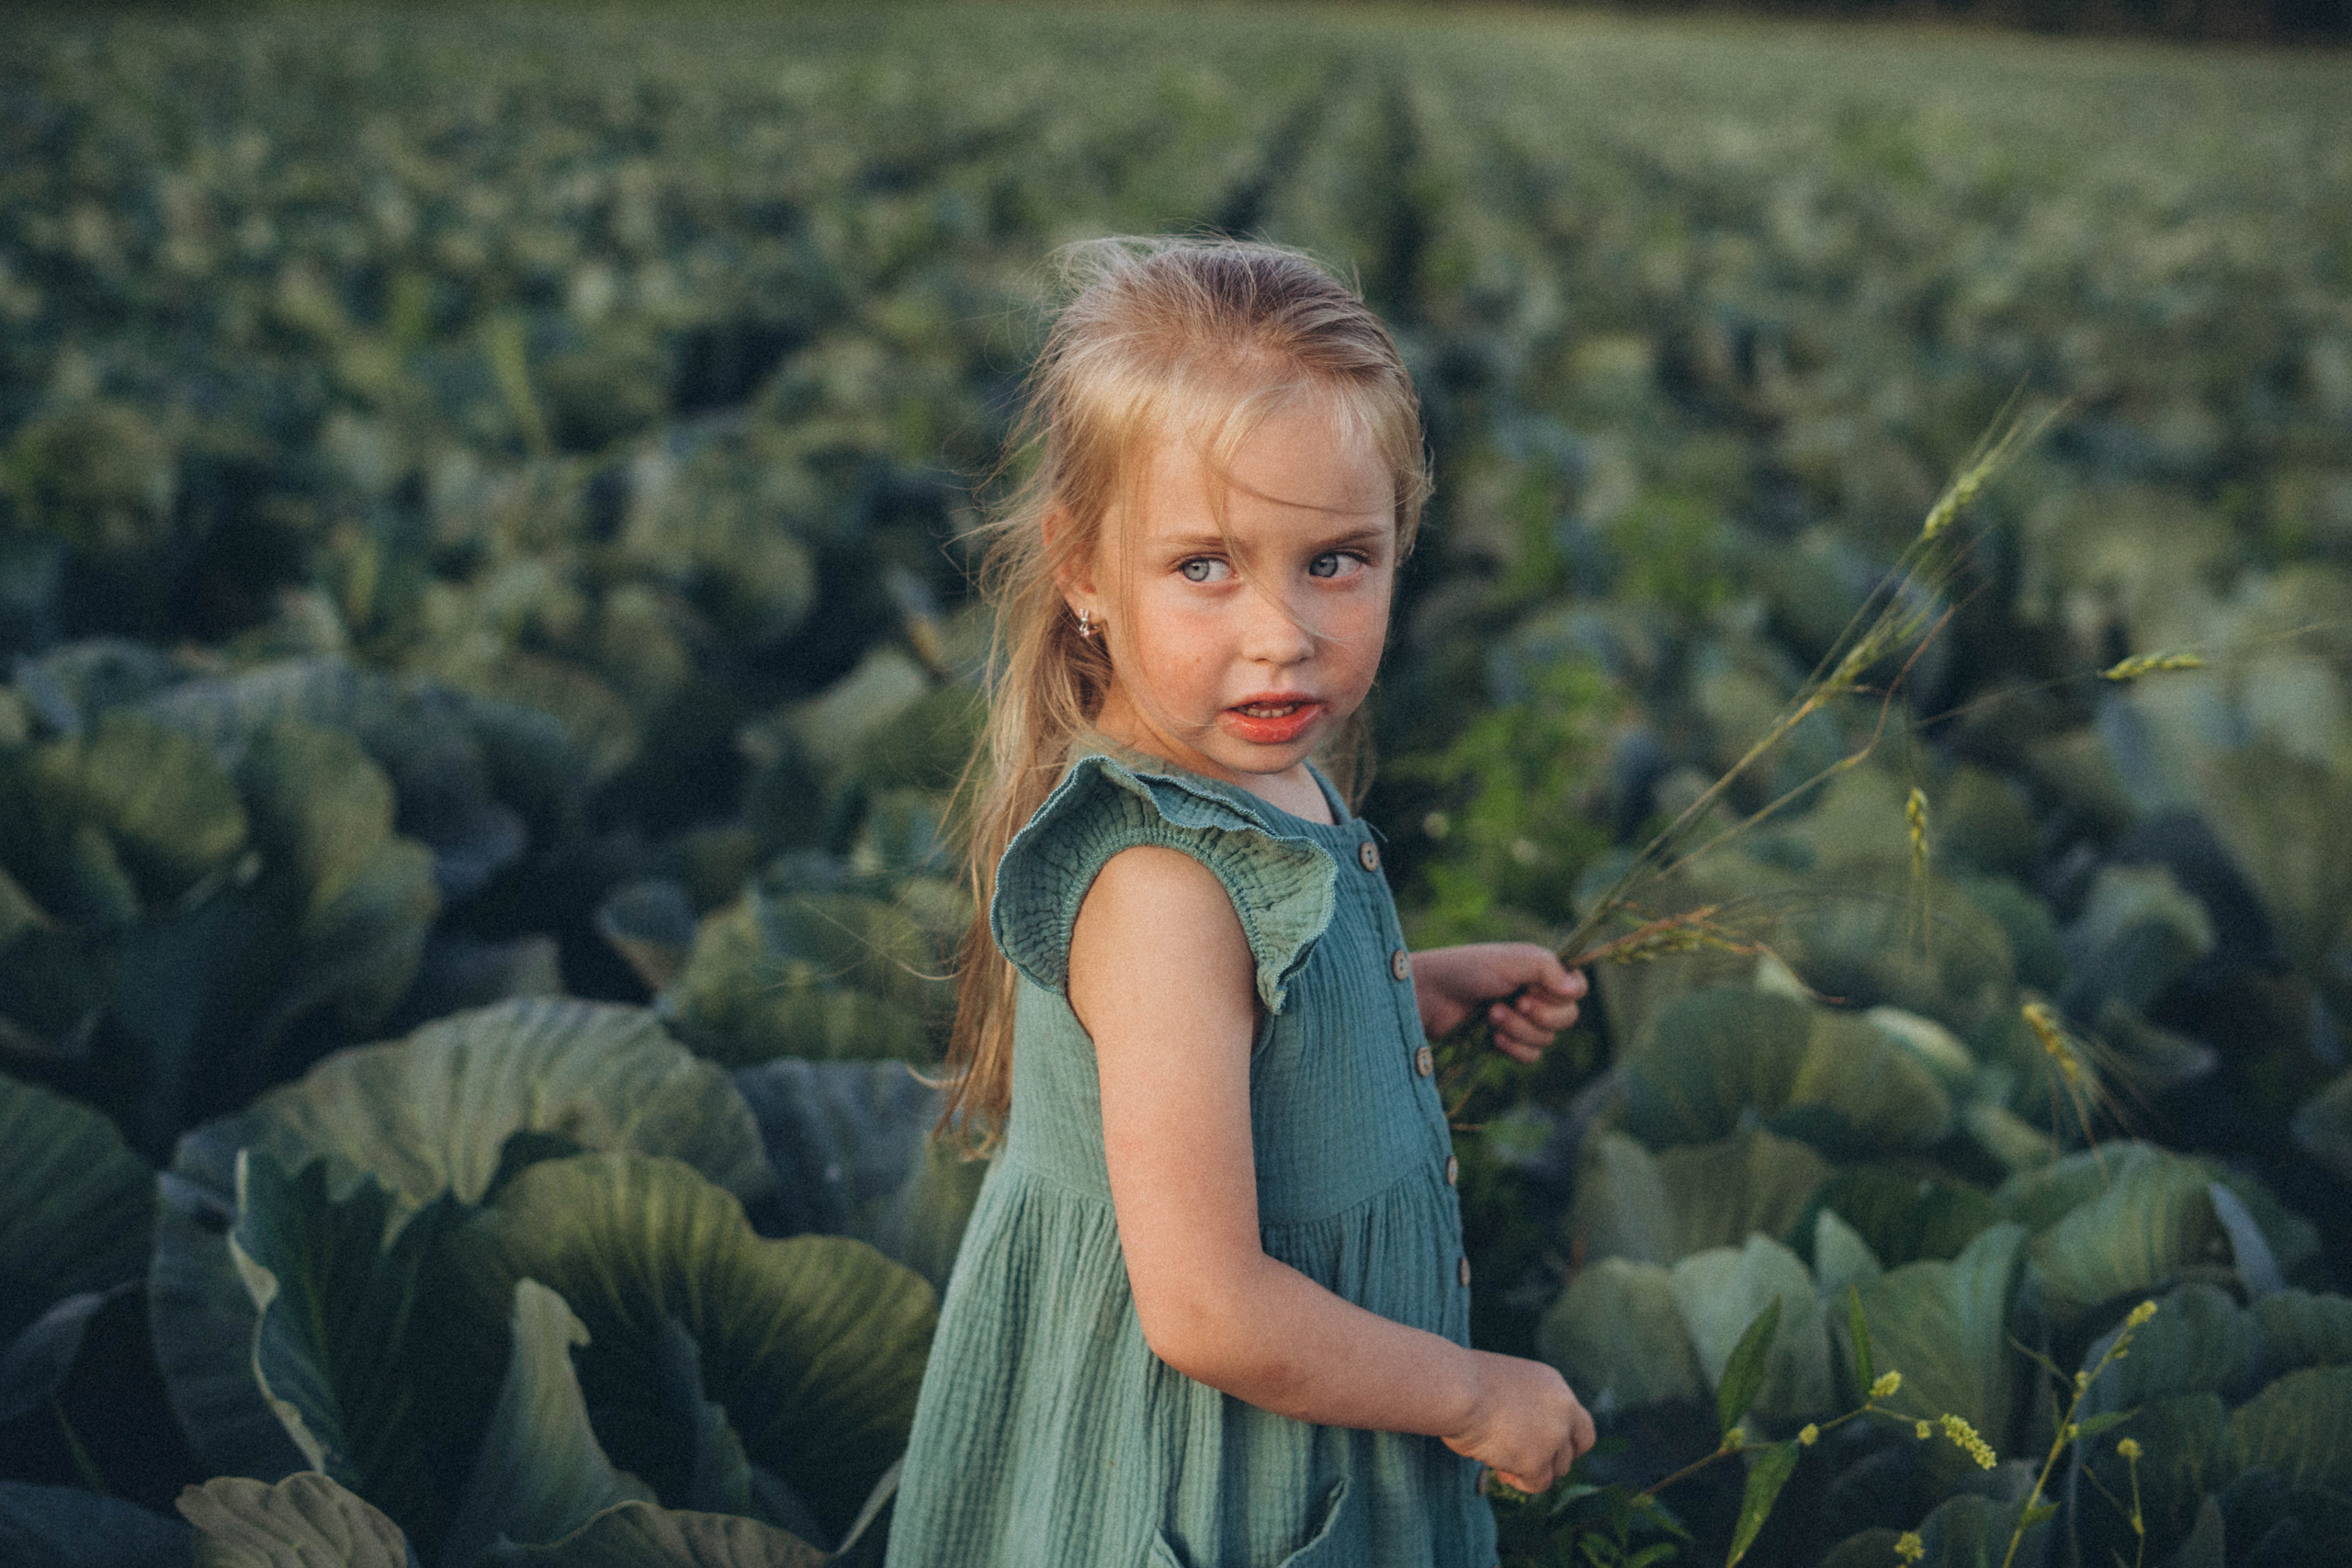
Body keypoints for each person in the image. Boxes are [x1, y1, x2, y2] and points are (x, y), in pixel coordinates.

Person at [887, 236, 1595, 1568]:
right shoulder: (1159, 887)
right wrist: (1473, 1392)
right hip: (1206, 1479)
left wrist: (1413, 988)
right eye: (1205, 567)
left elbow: (1250, 1033)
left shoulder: (1260, 767)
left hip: (1297, 1428)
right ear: (1083, 570)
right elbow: (1208, 1310)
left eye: (1337, 561)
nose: (1282, 633)